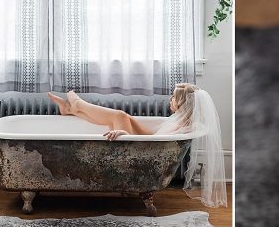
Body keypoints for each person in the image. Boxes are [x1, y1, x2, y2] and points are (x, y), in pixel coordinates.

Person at [47, 83, 228, 208]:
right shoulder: (179, 121)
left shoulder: (187, 126)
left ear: (182, 103)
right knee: (121, 116)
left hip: (138, 155)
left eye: (173, 97)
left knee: (119, 116)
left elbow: (153, 145)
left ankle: (76, 106)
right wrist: (129, 128)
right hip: (143, 148)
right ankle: (72, 108)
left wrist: (126, 134)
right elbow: (156, 138)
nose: (170, 99)